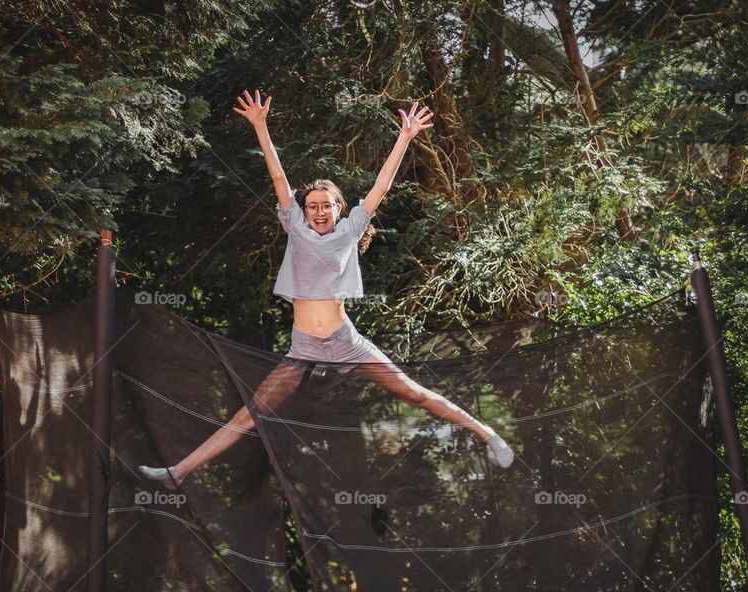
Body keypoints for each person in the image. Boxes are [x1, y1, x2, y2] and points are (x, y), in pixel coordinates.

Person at [138, 90, 513, 490]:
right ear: (303, 210)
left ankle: (487, 433)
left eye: (327, 205)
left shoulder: (351, 230)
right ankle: (176, 474)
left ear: (339, 208)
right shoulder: (295, 228)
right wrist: (261, 127)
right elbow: (279, 179)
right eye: (312, 205)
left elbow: (381, 188)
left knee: (414, 394)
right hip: (303, 350)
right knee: (250, 414)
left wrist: (404, 138)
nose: (319, 211)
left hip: (345, 341)